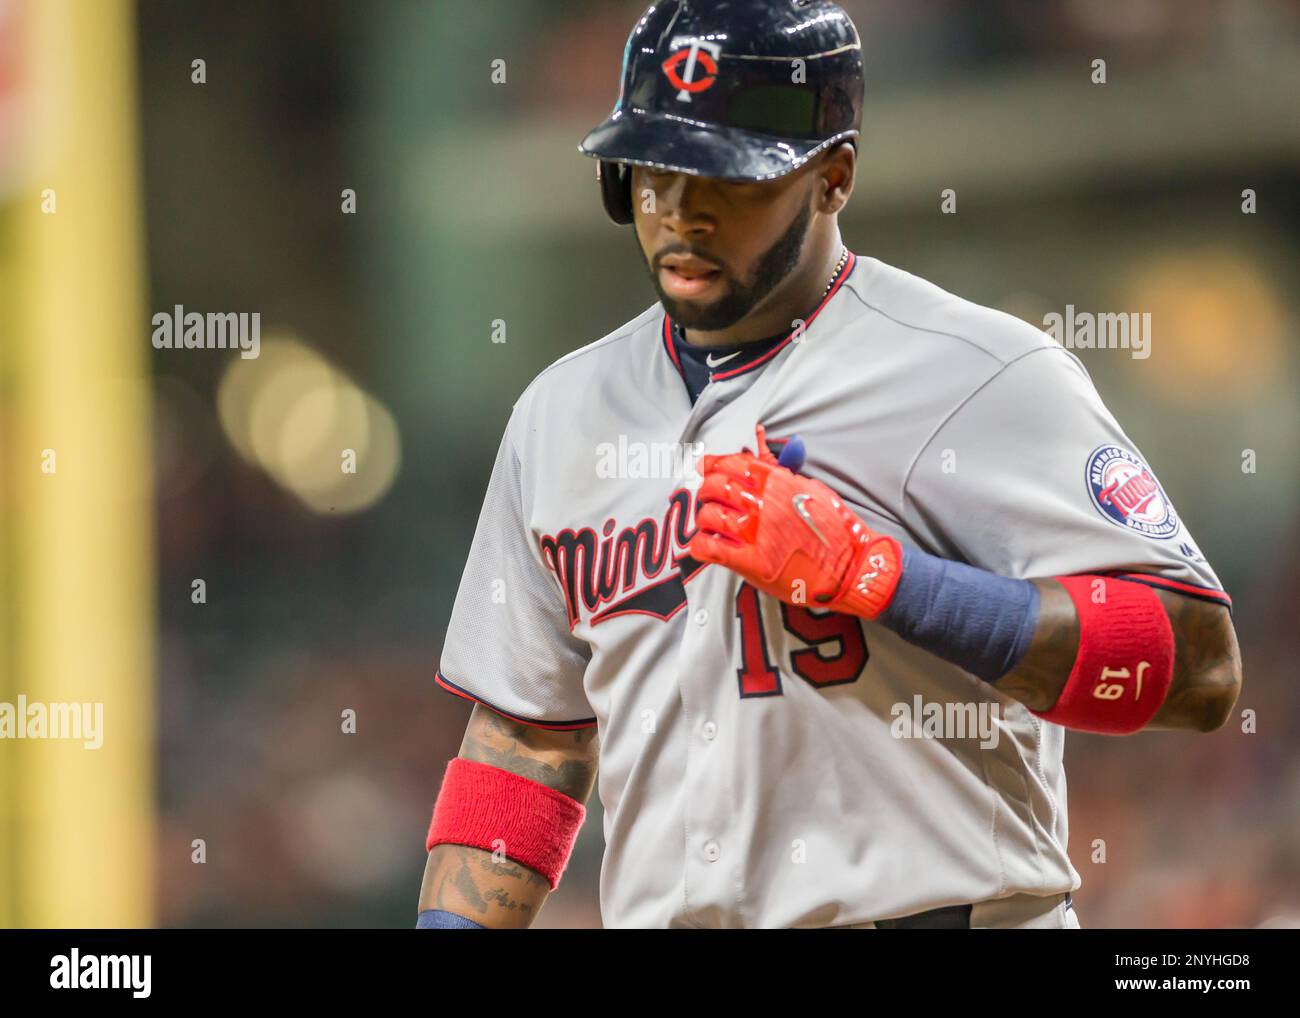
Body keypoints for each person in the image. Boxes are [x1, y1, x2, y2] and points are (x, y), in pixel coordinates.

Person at [416, 0, 1242, 930]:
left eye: (726, 175)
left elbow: (1199, 671)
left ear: (832, 176)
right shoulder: (557, 416)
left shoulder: (979, 371)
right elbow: (526, 740)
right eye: (656, 169)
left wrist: (887, 580)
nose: (682, 208)